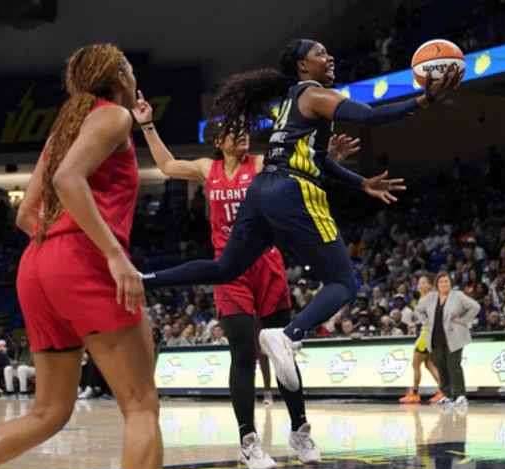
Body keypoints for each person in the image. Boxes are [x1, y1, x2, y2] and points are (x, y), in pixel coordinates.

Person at [140, 38, 462, 392]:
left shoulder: (293, 102)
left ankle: (144, 280)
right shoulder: (313, 94)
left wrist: (360, 183)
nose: (330, 57)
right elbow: (369, 117)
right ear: (302, 67)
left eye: (327, 52)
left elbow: (319, 160)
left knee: (224, 269)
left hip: (262, 189)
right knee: (342, 283)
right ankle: (287, 335)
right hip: (292, 191)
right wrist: (423, 100)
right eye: (320, 54)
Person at [0, 44, 162, 469]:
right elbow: (69, 179)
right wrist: (110, 254)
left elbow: (25, 213)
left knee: (49, 412)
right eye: (129, 68)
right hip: (84, 259)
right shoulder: (114, 115)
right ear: (121, 77)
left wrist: (60, 257)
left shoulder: (65, 127)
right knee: (141, 405)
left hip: (38, 262)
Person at [131, 104, 337, 469]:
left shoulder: (259, 164)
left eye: (244, 129)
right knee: (243, 354)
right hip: (230, 272)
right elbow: (165, 165)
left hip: (268, 265)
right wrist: (146, 124)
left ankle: (299, 429)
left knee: (283, 351)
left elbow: (300, 162)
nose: (241, 134)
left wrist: (326, 156)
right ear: (217, 140)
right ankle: (248, 441)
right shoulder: (204, 169)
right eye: (232, 130)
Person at [415, 272, 480, 405]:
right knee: (441, 366)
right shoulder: (431, 297)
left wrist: (463, 320)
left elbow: (475, 307)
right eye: (441, 282)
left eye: (447, 281)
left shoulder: (458, 296)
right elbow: (418, 309)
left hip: (454, 336)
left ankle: (460, 395)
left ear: (451, 283)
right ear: (436, 284)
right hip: (436, 336)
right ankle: (447, 394)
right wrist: (424, 320)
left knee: (454, 365)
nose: (444, 284)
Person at [399, 274, 443, 405]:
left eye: (424, 283)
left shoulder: (430, 298)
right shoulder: (423, 298)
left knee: (416, 364)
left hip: (426, 334)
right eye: (419, 282)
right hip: (427, 333)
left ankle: (415, 393)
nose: (421, 285)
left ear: (429, 285)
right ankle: (443, 391)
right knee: (429, 364)